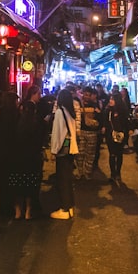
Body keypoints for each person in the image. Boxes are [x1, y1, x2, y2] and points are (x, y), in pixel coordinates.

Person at [0, 87, 44, 220]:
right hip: (32, 160)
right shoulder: (35, 124)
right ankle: (28, 211)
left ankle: (18, 211)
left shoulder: (16, 123)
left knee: (18, 186)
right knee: (30, 187)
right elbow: (39, 141)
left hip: (17, 159)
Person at [49, 88, 78, 220]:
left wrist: (53, 150)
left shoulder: (60, 112)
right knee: (67, 178)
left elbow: (57, 134)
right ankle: (70, 206)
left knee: (62, 179)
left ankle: (65, 209)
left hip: (63, 149)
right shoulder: (70, 112)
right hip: (71, 148)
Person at [75, 86, 101, 179]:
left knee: (90, 154)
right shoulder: (78, 105)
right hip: (81, 132)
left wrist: (97, 123)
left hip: (92, 133)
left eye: (88, 95)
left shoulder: (95, 105)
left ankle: (87, 172)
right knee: (80, 154)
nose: (87, 96)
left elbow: (100, 117)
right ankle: (80, 172)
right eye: (85, 94)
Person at [104, 92, 130, 184]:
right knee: (112, 154)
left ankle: (118, 172)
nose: (110, 101)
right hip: (110, 135)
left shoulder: (122, 111)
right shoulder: (108, 110)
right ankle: (112, 174)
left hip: (120, 135)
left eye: (112, 99)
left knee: (119, 154)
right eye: (110, 99)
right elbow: (105, 121)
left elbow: (126, 123)